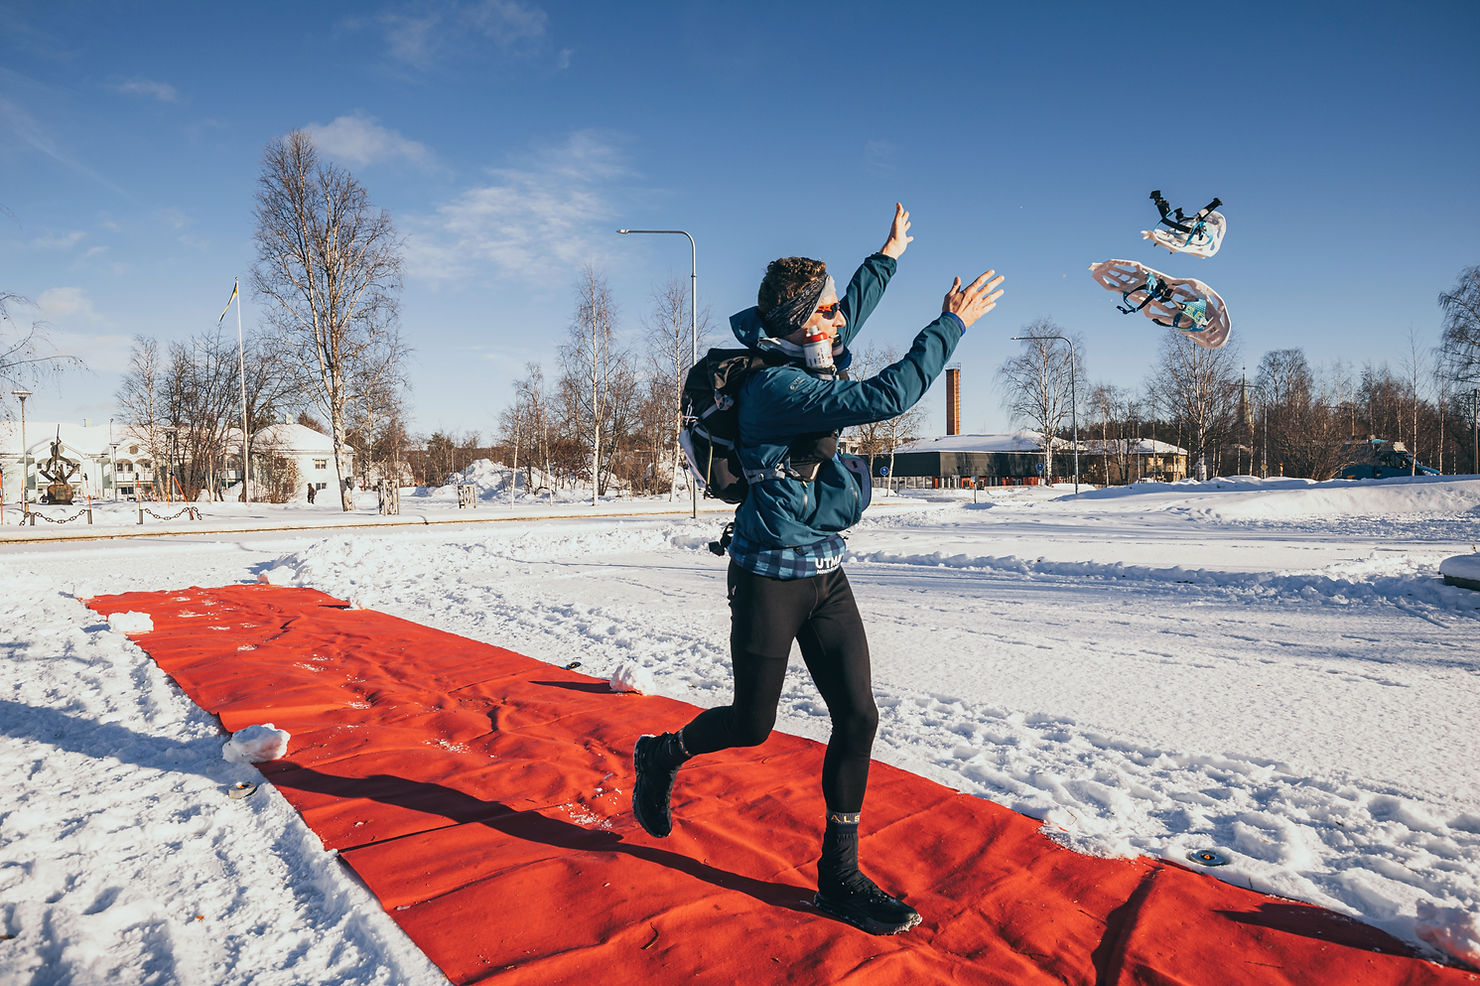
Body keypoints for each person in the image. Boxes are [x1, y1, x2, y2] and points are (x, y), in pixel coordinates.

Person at [633, 204, 1004, 935]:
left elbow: (853, 307)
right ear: (806, 321)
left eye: (836, 306)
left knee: (859, 717)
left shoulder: (813, 348)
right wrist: (950, 325)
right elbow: (889, 394)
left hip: (825, 573)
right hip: (769, 578)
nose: (840, 317)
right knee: (751, 723)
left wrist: (888, 255)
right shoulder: (780, 389)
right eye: (828, 308)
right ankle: (662, 753)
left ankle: (838, 878)